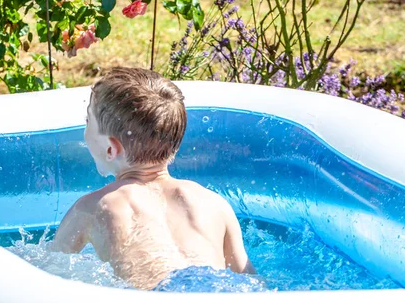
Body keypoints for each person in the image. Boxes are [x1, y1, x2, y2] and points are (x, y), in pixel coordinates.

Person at [50, 67, 255, 290]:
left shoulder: (91, 208)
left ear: (111, 149)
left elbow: (49, 273)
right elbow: (250, 280)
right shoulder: (214, 203)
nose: (85, 127)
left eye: (87, 121)